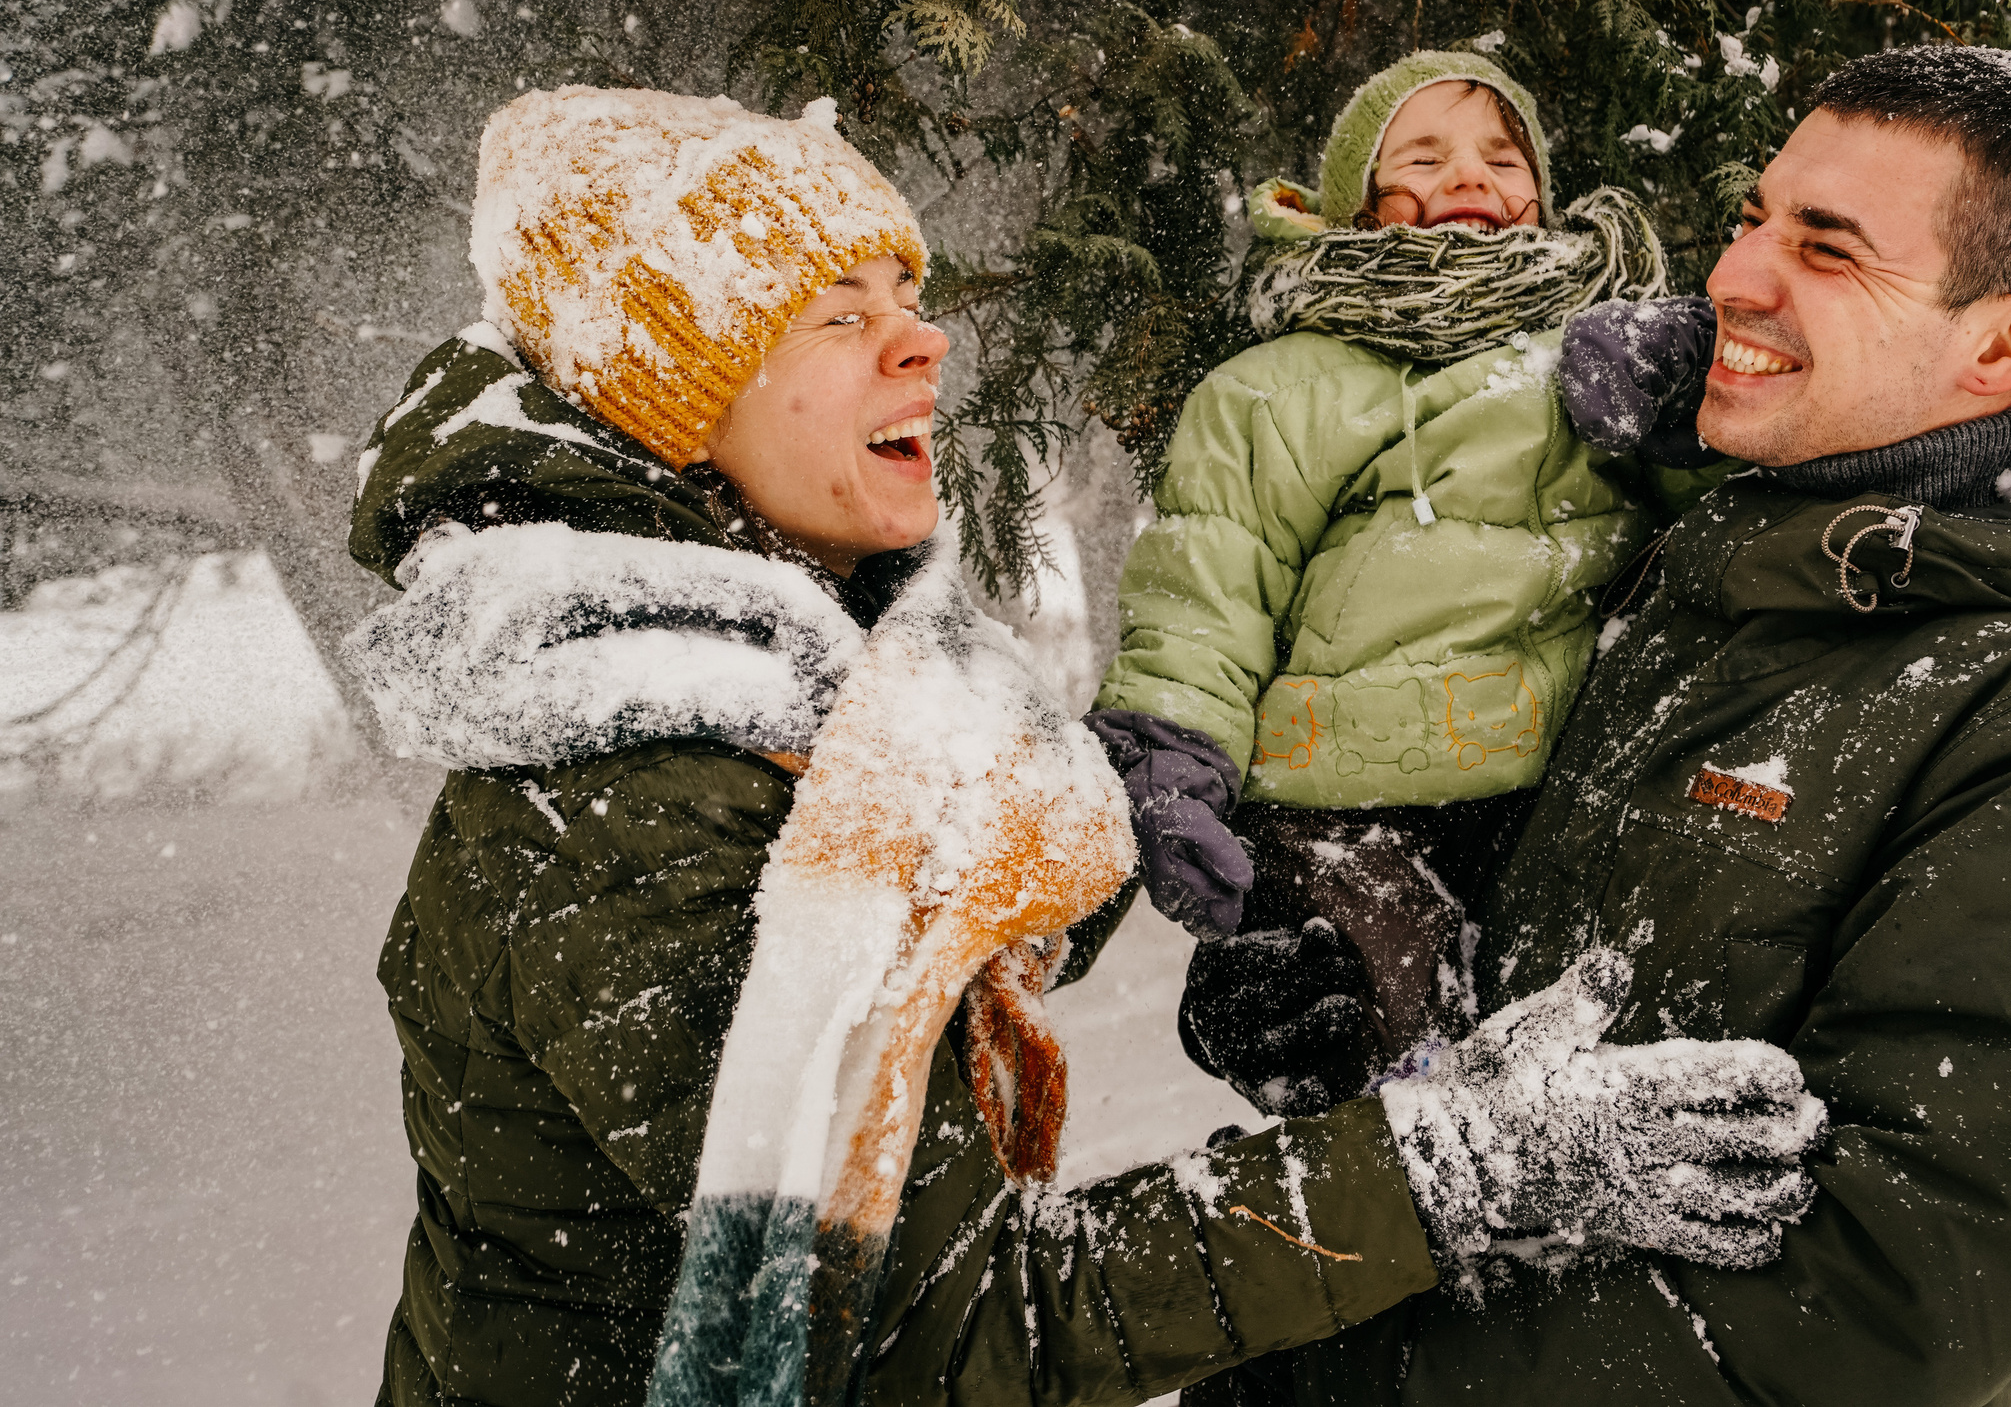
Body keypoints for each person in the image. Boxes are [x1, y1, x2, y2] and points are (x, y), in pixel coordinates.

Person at [351, 84, 1824, 1407]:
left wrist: (1158, 799)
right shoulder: (627, 815)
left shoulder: (824, 703)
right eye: (836, 316)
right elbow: (962, 1331)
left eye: (906, 294)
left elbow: (998, 875)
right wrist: (1450, 1166)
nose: (921, 336)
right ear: (672, 400)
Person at [1178, 46, 2011, 1406]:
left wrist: (1347, 1380)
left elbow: (1892, 1291)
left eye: (1829, 247)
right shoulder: (1685, 579)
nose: (1734, 275)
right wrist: (1341, 975)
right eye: (1753, 215)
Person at [1086, 50, 1718, 1114]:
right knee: (1384, 1083)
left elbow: (1726, 533)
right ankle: (1372, 1233)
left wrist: (1694, 388)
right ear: (1355, 208)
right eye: (1421, 156)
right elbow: (1210, 585)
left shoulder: (1596, 360)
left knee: (1576, 1068)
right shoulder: (1278, 389)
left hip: (1557, 792)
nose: (1469, 175)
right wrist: (1173, 749)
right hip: (1343, 809)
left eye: (1500, 155)